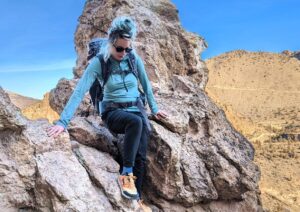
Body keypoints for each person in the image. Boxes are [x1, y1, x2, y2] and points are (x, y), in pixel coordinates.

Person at [47, 16, 167, 211]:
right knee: (135, 123)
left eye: (127, 48)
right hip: (113, 112)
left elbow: (145, 84)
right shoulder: (99, 63)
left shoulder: (133, 59)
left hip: (136, 107)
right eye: (119, 48)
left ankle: (135, 198)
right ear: (110, 43)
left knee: (142, 155)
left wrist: (154, 109)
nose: (123, 52)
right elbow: (79, 91)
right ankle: (125, 174)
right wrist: (63, 122)